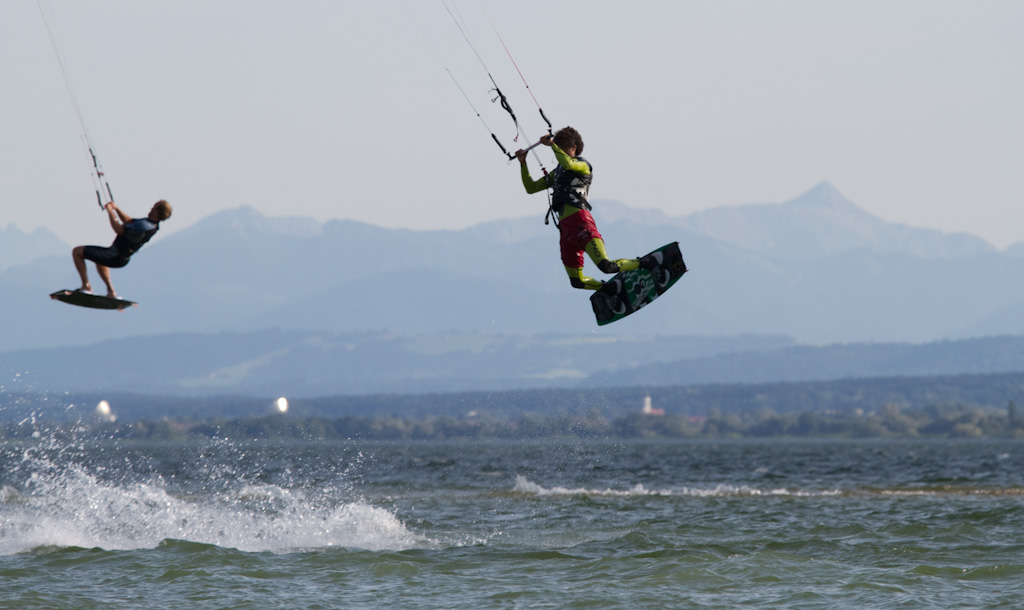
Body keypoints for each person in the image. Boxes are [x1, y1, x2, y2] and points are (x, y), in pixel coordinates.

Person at [515, 127, 640, 291]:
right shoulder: (558, 172)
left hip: (581, 222)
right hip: (566, 231)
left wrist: (552, 145)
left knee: (606, 266)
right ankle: (608, 289)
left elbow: (568, 163)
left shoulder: (583, 165)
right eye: (557, 147)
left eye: (561, 147)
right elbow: (531, 187)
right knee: (576, 281)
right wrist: (523, 163)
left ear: (573, 148)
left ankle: (642, 264)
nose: (557, 150)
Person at [72, 199, 172, 298]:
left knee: (77, 252)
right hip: (122, 258)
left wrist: (110, 211)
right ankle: (111, 292)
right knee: (100, 261)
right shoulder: (151, 225)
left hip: (114, 255)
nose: (151, 208)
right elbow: (129, 221)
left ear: (157, 211)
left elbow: (118, 229)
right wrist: (116, 208)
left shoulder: (143, 226)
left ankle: (86, 286)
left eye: (154, 207)